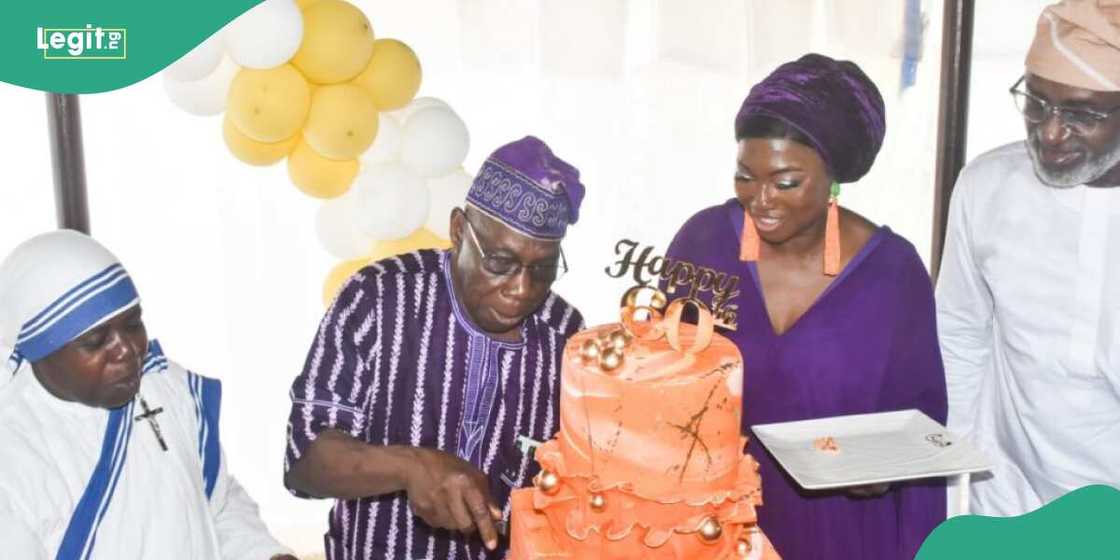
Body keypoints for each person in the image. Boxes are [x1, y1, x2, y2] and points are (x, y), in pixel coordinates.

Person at [663, 54, 947, 559]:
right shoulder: (703, 244)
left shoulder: (893, 274)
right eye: (745, 176)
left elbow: (920, 427)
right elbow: (658, 381)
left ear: (833, 176)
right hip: (715, 529)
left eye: (786, 182)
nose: (760, 199)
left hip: (841, 532)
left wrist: (886, 471)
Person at [284, 136, 586, 559]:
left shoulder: (564, 334)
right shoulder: (377, 298)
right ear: (459, 230)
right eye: (500, 263)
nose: (521, 288)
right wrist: (409, 466)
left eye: (542, 269)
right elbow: (305, 461)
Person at [0, 230, 295, 560]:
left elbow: (217, 504)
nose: (126, 350)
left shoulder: (166, 388)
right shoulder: (13, 452)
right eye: (95, 342)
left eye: (132, 324)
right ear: (38, 353)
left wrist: (263, 554)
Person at [938, 0, 1120, 516]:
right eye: (1036, 103)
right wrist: (956, 490)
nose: (1051, 132)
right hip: (1007, 500)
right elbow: (959, 335)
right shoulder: (988, 186)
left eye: (1081, 114)